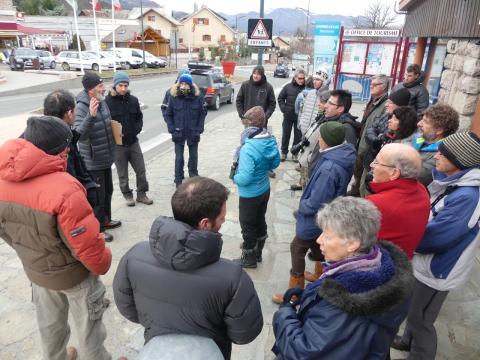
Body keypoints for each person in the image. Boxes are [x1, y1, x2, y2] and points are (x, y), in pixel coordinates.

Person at [0, 116, 114, 360]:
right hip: (74, 276)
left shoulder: (3, 179)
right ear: (62, 149)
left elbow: (7, 233)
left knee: (50, 328)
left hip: (37, 273)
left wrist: (30, 254)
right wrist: (104, 262)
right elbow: (87, 246)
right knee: (89, 333)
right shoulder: (64, 188)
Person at [113, 177, 263, 360]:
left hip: (156, 347)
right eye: (222, 218)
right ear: (205, 224)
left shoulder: (134, 256)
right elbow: (244, 333)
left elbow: (128, 310)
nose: (223, 221)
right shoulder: (233, 278)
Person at [272, 197, 414, 360]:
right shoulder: (383, 266)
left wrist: (285, 313)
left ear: (352, 244)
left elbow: (302, 352)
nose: (319, 240)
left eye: (327, 235)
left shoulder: (342, 305)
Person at [391, 131, 480, 360]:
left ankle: (421, 355)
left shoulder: (467, 196)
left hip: (437, 267)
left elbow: (440, 237)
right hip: (427, 262)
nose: (436, 154)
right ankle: (407, 340)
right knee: (413, 310)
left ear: (459, 161)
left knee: (421, 317)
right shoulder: (453, 182)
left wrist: (409, 238)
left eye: (444, 152)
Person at [272, 122, 356, 303]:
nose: (319, 139)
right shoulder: (344, 153)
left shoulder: (329, 168)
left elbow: (316, 202)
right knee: (318, 246)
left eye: (321, 137)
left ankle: (294, 295)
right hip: (328, 216)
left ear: (325, 140)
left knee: (297, 248)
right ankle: (321, 277)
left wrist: (301, 208)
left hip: (316, 218)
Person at [42, 89, 108, 238]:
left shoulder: (41, 132)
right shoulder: (62, 146)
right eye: (76, 109)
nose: (77, 112)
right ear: (69, 113)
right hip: (70, 211)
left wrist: (90, 116)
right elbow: (72, 183)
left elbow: (75, 136)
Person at [74, 72, 122, 240]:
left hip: (106, 156)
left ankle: (106, 220)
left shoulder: (101, 101)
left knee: (109, 190)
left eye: (102, 85)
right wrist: (91, 116)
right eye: (99, 86)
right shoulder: (81, 107)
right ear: (90, 91)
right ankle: (99, 230)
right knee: (98, 198)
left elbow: (107, 122)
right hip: (93, 161)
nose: (103, 89)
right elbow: (79, 135)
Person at [232, 106, 280, 268]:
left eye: (245, 121)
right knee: (259, 219)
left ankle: (249, 258)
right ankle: (258, 253)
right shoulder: (270, 139)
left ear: (250, 124)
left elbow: (244, 178)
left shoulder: (248, 147)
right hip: (264, 189)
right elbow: (275, 163)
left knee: (247, 226)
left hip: (249, 194)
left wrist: (234, 177)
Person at [366, 143, 430, 258]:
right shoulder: (421, 189)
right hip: (401, 264)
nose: (371, 165)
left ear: (394, 173)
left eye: (376, 162)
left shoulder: (377, 204)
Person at [105, 71, 153, 207]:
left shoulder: (133, 100)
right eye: (121, 85)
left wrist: (136, 129)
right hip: (118, 145)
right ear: (115, 85)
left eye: (126, 85)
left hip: (133, 142)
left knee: (141, 170)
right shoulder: (107, 102)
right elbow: (105, 123)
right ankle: (127, 195)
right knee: (122, 174)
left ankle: (142, 194)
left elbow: (139, 117)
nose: (123, 88)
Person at [359, 87, 411, 196]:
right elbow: (371, 129)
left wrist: (376, 139)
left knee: (369, 193)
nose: (386, 104)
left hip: (381, 166)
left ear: (400, 105)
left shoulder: (402, 122)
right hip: (370, 159)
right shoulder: (386, 115)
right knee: (362, 188)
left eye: (390, 102)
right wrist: (376, 139)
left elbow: (382, 138)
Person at [163, 72, 208, 187]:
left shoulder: (198, 97)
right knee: (179, 157)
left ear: (190, 85)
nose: (183, 86)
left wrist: (199, 129)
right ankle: (178, 179)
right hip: (179, 131)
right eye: (181, 84)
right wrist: (172, 129)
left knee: (193, 156)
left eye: (186, 84)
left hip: (193, 131)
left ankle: (193, 175)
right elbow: (168, 114)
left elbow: (202, 113)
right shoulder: (174, 97)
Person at [350, 74, 389, 196]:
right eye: (371, 84)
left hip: (370, 147)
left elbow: (381, 129)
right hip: (361, 142)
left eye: (374, 85)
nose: (371, 87)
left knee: (364, 178)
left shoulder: (386, 105)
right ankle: (355, 192)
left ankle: (362, 199)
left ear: (383, 87)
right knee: (357, 171)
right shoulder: (373, 100)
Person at [290, 89, 331, 191]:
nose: (319, 104)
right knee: (303, 169)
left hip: (313, 154)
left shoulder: (328, 119)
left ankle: (305, 189)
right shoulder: (322, 115)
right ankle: (302, 183)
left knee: (308, 176)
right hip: (307, 149)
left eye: (321, 102)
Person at [412, 103, 459, 186]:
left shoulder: (442, 155)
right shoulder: (419, 140)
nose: (419, 123)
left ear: (439, 130)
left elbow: (413, 177)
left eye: (425, 122)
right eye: (422, 119)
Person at [278, 69, 306, 161]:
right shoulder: (287, 87)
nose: (302, 80)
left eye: (303, 78)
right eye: (300, 78)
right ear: (295, 78)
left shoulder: (306, 88)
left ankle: (295, 153)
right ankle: (284, 152)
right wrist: (284, 109)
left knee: (298, 136)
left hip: (300, 117)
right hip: (288, 115)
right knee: (286, 134)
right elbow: (280, 98)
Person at [297, 70, 330, 135]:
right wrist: (301, 123)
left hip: (316, 132)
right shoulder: (310, 93)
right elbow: (302, 110)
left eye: (317, 79)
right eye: (313, 79)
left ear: (324, 82)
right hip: (304, 129)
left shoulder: (328, 96)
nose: (314, 82)